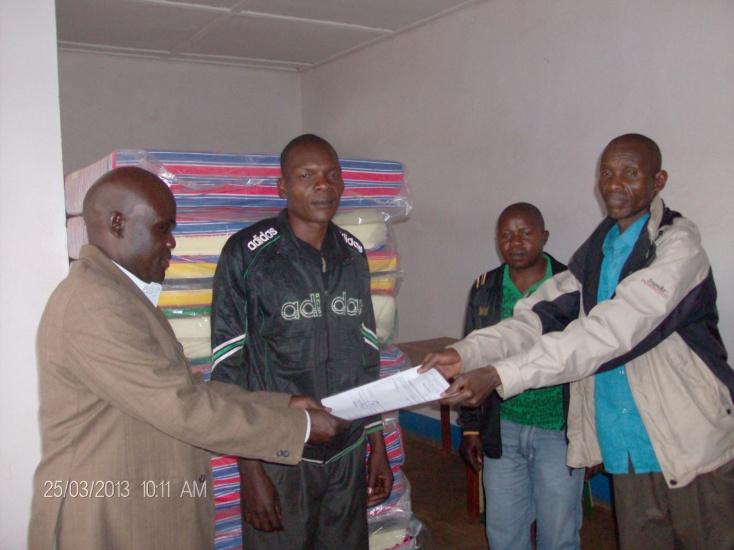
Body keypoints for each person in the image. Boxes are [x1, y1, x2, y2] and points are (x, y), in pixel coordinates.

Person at [423, 133, 734, 549]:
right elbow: (534, 317)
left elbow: (607, 334)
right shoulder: (599, 253)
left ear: (658, 181)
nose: (614, 183)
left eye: (629, 172)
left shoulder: (677, 247)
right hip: (627, 450)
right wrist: (463, 354)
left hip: (689, 446)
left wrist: (499, 375)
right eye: (606, 172)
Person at [29, 166, 347, 550]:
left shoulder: (120, 295)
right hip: (106, 516)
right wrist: (299, 427)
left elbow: (186, 389)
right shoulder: (95, 304)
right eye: (163, 228)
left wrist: (284, 403)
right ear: (118, 223)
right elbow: (182, 408)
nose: (172, 243)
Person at [210, 134, 393, 549]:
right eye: (306, 175)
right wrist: (250, 471)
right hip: (280, 454)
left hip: (347, 452)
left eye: (332, 175)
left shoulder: (353, 254)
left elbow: (367, 356)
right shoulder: (248, 254)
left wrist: (375, 444)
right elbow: (228, 369)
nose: (323, 185)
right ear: (282, 187)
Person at [459, 202, 583, 550]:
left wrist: (589, 437)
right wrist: (471, 428)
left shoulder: (571, 286)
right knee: (503, 532)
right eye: (506, 235)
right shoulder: (486, 287)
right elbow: (472, 356)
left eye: (525, 233)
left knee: (559, 533)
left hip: (557, 432)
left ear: (544, 236)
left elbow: (589, 363)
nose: (515, 242)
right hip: (503, 428)